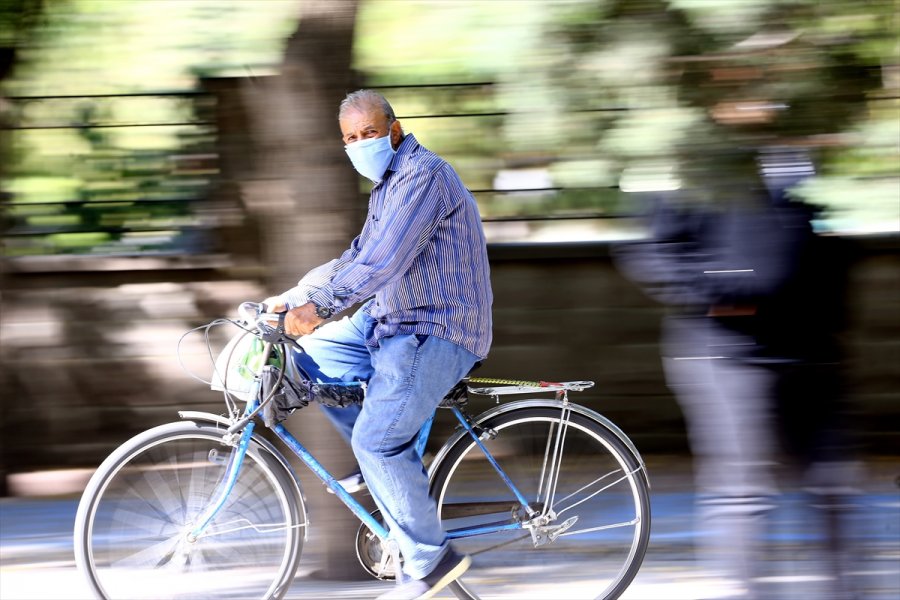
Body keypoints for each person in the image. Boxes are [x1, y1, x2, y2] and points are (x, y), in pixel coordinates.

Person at [262, 89, 493, 600]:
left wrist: (318, 309)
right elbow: (355, 255)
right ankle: (386, 465)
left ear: (393, 130)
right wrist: (293, 296)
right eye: (350, 138)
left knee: (376, 440)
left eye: (369, 133)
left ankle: (431, 562)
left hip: (434, 328)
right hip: (385, 321)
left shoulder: (423, 177)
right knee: (303, 361)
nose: (360, 144)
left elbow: (382, 263)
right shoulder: (387, 187)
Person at [615, 148, 859, 599]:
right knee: (744, 486)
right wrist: (723, 293)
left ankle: (843, 590)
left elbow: (817, 234)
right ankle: (743, 590)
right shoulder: (691, 158)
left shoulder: (789, 149)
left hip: (810, 352)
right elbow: (651, 252)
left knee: (831, 482)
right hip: (728, 354)